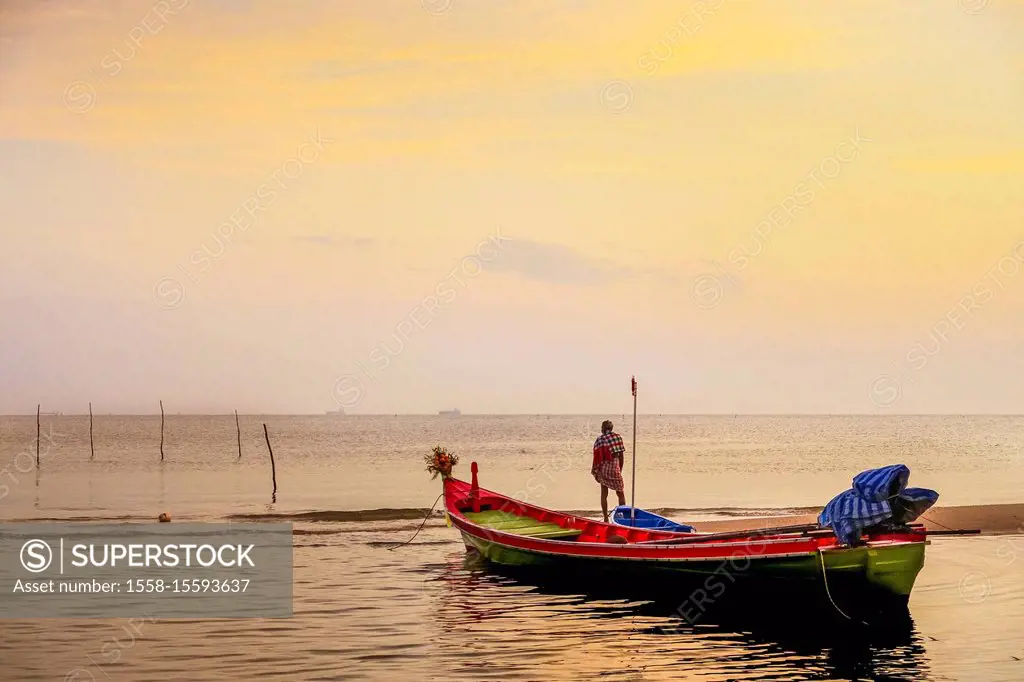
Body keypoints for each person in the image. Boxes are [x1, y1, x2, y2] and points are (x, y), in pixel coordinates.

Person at [592, 420, 627, 523]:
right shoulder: (617, 437)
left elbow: (596, 457)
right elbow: (621, 457)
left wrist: (596, 471)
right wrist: (619, 470)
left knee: (604, 493)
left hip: (604, 467)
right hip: (614, 466)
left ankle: (606, 518)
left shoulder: (600, 440)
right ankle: (623, 516)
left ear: (602, 429)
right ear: (611, 428)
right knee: (620, 493)